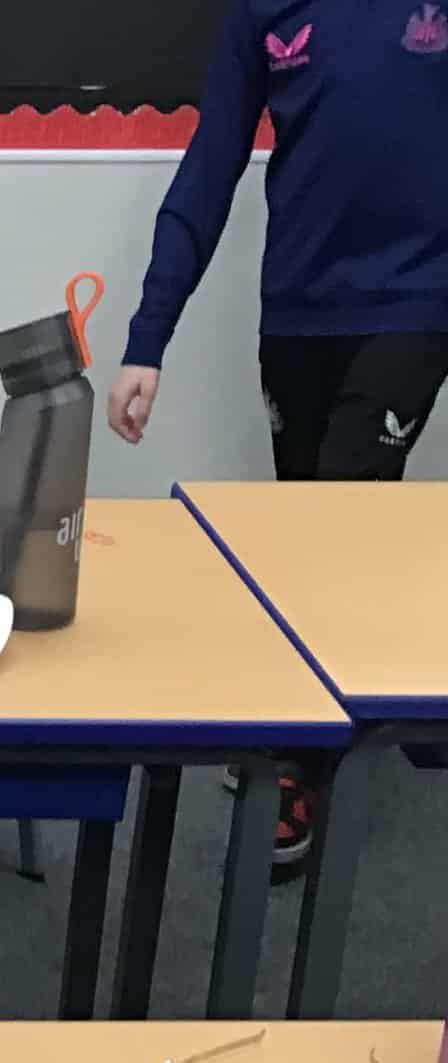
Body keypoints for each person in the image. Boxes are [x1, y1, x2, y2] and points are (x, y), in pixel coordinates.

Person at [107, 0, 448, 868]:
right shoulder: (260, 10)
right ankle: (349, 709)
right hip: (298, 308)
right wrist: (148, 338)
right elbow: (211, 162)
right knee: (302, 531)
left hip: (415, 300)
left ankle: (302, 767)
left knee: (340, 520)